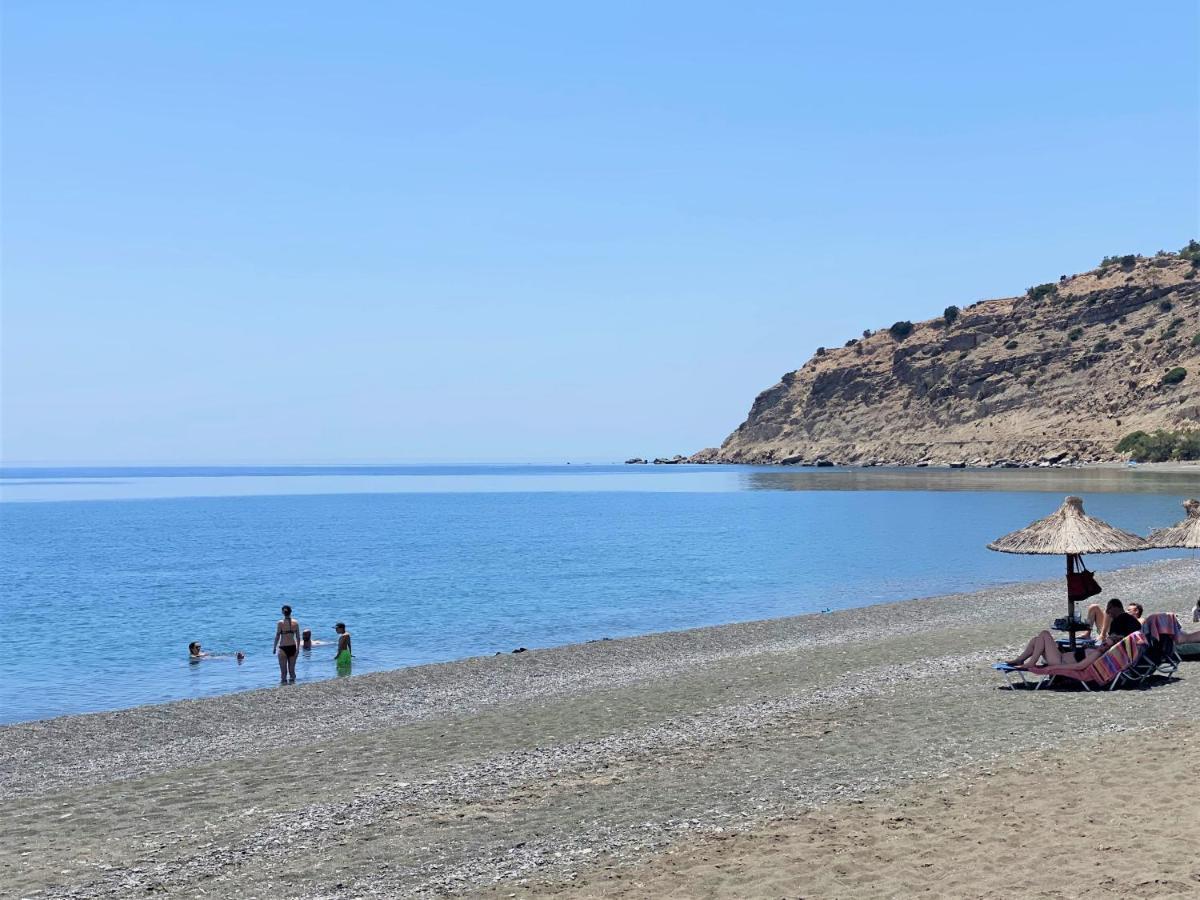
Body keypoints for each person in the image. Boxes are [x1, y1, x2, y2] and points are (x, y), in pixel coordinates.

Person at [273, 604, 301, 684]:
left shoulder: (280, 623)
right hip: (293, 647)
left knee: (283, 671)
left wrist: (274, 647)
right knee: (292, 670)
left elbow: (277, 636)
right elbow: (298, 637)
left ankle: (283, 684)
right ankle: (293, 685)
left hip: (283, 648)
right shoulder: (296, 623)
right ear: (290, 612)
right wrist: (298, 649)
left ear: (282, 612)